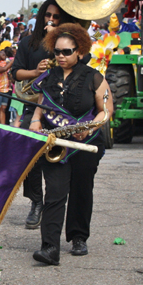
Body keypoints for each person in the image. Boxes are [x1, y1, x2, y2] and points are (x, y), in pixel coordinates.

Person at [29, 23, 113, 265]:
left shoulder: (94, 77)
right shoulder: (49, 77)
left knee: (81, 190)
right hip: (56, 142)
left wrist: (90, 127)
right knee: (54, 192)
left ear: (80, 51)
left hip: (85, 143)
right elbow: (41, 104)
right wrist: (35, 120)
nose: (60, 56)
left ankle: (78, 237)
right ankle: (49, 247)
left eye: (66, 52)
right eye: (57, 51)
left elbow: (106, 109)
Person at [10, 0, 78, 229]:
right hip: (34, 106)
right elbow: (16, 73)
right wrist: (34, 72)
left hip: (63, 108)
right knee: (27, 150)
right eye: (48, 16)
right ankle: (36, 201)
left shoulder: (70, 45)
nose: (51, 20)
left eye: (56, 17)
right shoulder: (28, 43)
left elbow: (84, 63)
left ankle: (55, 203)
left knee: (63, 159)